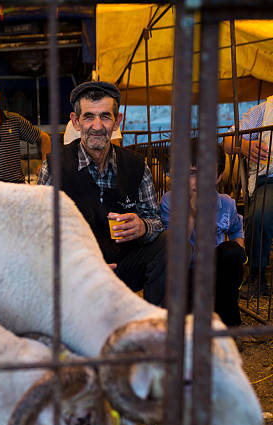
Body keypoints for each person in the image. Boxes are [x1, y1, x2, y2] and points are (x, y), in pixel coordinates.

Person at [37, 81, 167, 307]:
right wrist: (78, 264)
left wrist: (143, 227)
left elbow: (156, 221)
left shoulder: (137, 167)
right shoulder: (54, 169)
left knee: (172, 243)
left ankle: (155, 324)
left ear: (118, 122)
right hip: (75, 271)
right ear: (76, 122)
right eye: (89, 117)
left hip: (123, 267)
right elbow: (38, 232)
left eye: (105, 116)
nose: (97, 126)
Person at [161, 139, 246, 327]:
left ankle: (229, 325)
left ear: (218, 176)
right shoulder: (170, 202)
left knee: (232, 251)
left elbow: (236, 229)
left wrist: (236, 255)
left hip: (213, 272)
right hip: (184, 274)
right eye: (192, 173)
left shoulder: (227, 204)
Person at [223, 98, 273, 297]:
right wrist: (243, 145)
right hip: (269, 179)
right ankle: (256, 274)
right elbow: (227, 141)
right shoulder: (264, 110)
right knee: (263, 213)